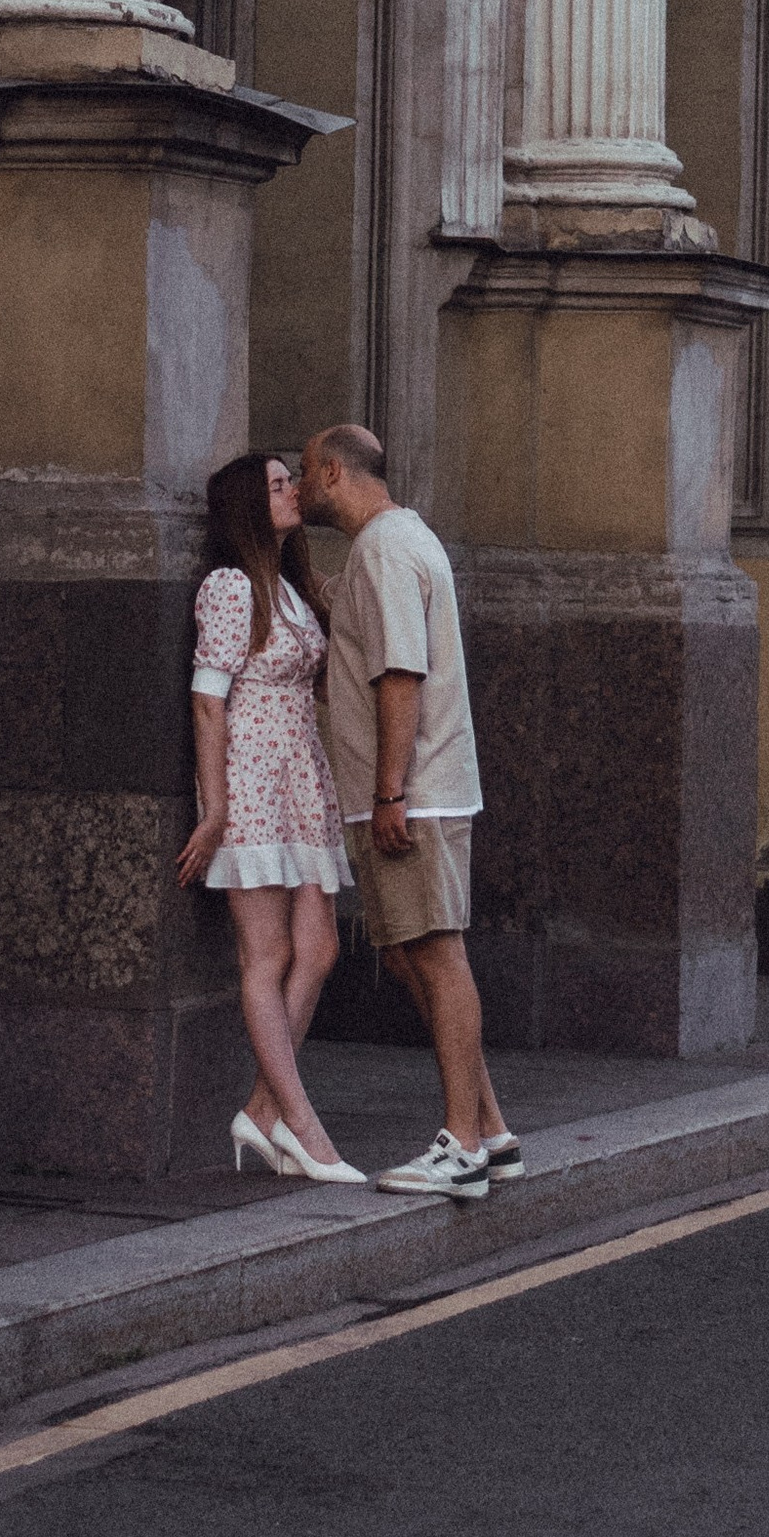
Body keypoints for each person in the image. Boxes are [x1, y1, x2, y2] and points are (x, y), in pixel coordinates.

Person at [297, 424, 518, 1204]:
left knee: (434, 954)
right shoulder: (401, 540)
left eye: (304, 473)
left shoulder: (385, 549)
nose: (297, 487)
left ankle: (460, 1145)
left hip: (412, 794)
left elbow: (400, 675)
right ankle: (489, 1131)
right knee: (410, 955)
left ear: (332, 471)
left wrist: (389, 791)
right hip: (417, 790)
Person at [177, 452, 366, 1186]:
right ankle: (304, 1127)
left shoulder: (287, 586)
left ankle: (262, 1114)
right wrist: (216, 806)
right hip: (253, 779)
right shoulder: (228, 588)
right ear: (250, 508)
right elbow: (207, 700)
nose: (293, 493)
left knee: (317, 949)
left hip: (300, 776)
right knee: (267, 957)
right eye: (278, 486)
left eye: (291, 480)